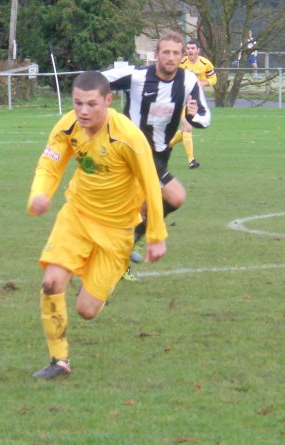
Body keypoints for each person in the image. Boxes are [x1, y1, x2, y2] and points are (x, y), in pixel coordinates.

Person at [27, 71, 168, 379]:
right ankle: (59, 361)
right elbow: (50, 162)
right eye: (78, 103)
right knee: (51, 283)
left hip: (117, 231)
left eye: (91, 104)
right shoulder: (68, 126)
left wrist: (156, 235)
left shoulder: (128, 137)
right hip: (76, 216)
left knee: (86, 310)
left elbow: (151, 185)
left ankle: (104, 277)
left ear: (108, 100)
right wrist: (39, 195)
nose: (83, 111)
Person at [102, 32, 211, 275]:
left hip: (160, 155)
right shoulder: (138, 76)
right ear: (156, 55)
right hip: (132, 152)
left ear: (182, 56)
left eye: (175, 53)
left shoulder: (189, 81)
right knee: (174, 196)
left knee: (148, 206)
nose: (170, 57)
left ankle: (122, 247)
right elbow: (95, 80)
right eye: (166, 52)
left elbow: (205, 117)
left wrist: (192, 116)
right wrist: (97, 105)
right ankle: (115, 253)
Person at [168, 39, 217, 169]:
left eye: (192, 48)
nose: (190, 50)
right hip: (181, 99)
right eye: (188, 48)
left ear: (198, 50)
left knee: (185, 129)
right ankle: (191, 160)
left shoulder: (205, 63)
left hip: (196, 101)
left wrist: (203, 83)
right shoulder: (181, 63)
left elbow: (214, 78)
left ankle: (168, 144)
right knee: (188, 127)